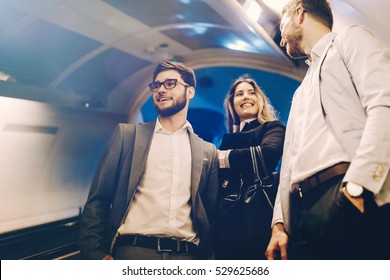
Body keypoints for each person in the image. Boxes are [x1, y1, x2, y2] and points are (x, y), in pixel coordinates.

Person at [266, 0, 390, 260]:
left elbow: (384, 106)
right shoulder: (300, 92)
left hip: (345, 193)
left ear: (300, 12)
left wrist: (358, 188)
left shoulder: (350, 40)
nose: (280, 40)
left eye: (282, 25)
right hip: (301, 212)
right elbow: (289, 161)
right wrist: (279, 224)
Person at [79, 61, 219, 260]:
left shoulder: (207, 151)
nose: (161, 89)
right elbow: (98, 200)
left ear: (190, 92)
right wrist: (96, 254)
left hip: (188, 255)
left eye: (170, 84)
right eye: (157, 85)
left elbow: (210, 214)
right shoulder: (127, 136)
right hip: (134, 251)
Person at [216, 76, 285, 259]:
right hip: (225, 222)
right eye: (239, 94)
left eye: (251, 92)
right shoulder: (227, 139)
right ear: (232, 104)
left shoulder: (272, 128)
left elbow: (268, 153)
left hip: (257, 217)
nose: (246, 97)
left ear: (259, 100)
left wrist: (222, 158)